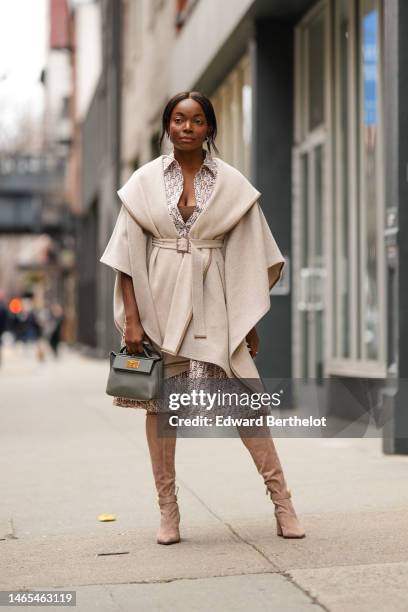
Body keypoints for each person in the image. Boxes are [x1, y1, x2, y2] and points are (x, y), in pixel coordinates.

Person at [100, 91, 305, 545]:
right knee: (161, 409)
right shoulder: (142, 183)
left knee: (248, 406)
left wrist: (246, 321)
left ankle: (283, 504)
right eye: (178, 119)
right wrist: (131, 321)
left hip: (216, 306)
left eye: (196, 120)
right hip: (160, 305)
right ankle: (168, 513)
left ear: (210, 128)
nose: (186, 127)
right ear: (167, 126)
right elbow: (125, 256)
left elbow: (250, 256)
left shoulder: (232, 183)